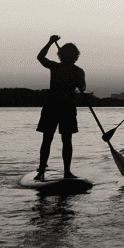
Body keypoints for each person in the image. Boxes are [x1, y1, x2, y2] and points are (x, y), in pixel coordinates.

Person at [35, 35, 86, 180]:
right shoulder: (61, 68)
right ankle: (48, 171)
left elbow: (83, 86)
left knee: (57, 140)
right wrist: (50, 42)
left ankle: (59, 172)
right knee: (55, 139)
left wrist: (50, 42)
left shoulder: (71, 70)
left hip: (62, 107)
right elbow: (40, 57)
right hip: (56, 107)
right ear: (74, 56)